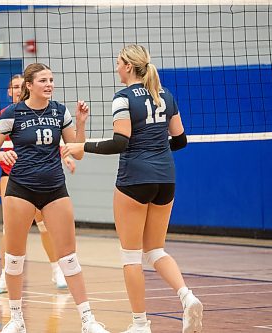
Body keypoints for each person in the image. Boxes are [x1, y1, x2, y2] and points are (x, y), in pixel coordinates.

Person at [64, 44, 203, 333]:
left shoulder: (123, 97)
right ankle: (187, 296)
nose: (116, 68)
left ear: (128, 66)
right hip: (165, 179)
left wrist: (81, 146)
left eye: (118, 63)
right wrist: (154, 147)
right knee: (155, 250)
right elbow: (180, 141)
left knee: (131, 256)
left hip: (135, 179)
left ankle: (140, 324)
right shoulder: (166, 95)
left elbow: (120, 142)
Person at [0, 63, 110, 333]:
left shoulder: (59, 111)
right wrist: (1, 156)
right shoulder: (12, 114)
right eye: (43, 80)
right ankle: (16, 319)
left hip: (54, 188)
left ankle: (88, 320)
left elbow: (77, 152)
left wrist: (80, 123)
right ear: (29, 85)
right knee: (15, 259)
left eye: (51, 80)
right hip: (20, 189)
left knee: (69, 258)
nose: (49, 84)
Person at [0, 74, 73, 294]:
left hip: (43, 177)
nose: (16, 90)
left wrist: (67, 156)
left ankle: (57, 270)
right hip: (11, 177)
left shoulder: (50, 112)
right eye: (13, 86)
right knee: (10, 229)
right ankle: (5, 275)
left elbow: (49, 143)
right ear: (9, 91)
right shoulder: (4, 115)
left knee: (44, 225)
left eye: (19, 86)